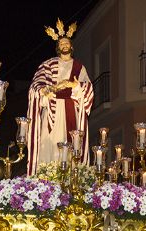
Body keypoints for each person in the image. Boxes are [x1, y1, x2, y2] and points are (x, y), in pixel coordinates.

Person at [26, 19, 94, 175]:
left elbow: (88, 87)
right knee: (48, 142)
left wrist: (75, 86)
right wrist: (44, 91)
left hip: (71, 109)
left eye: (67, 43)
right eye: (61, 44)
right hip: (52, 109)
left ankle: (72, 179)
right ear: (58, 47)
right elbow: (37, 83)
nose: (64, 45)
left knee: (71, 144)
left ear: (71, 46)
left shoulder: (79, 67)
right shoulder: (48, 64)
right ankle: (47, 176)